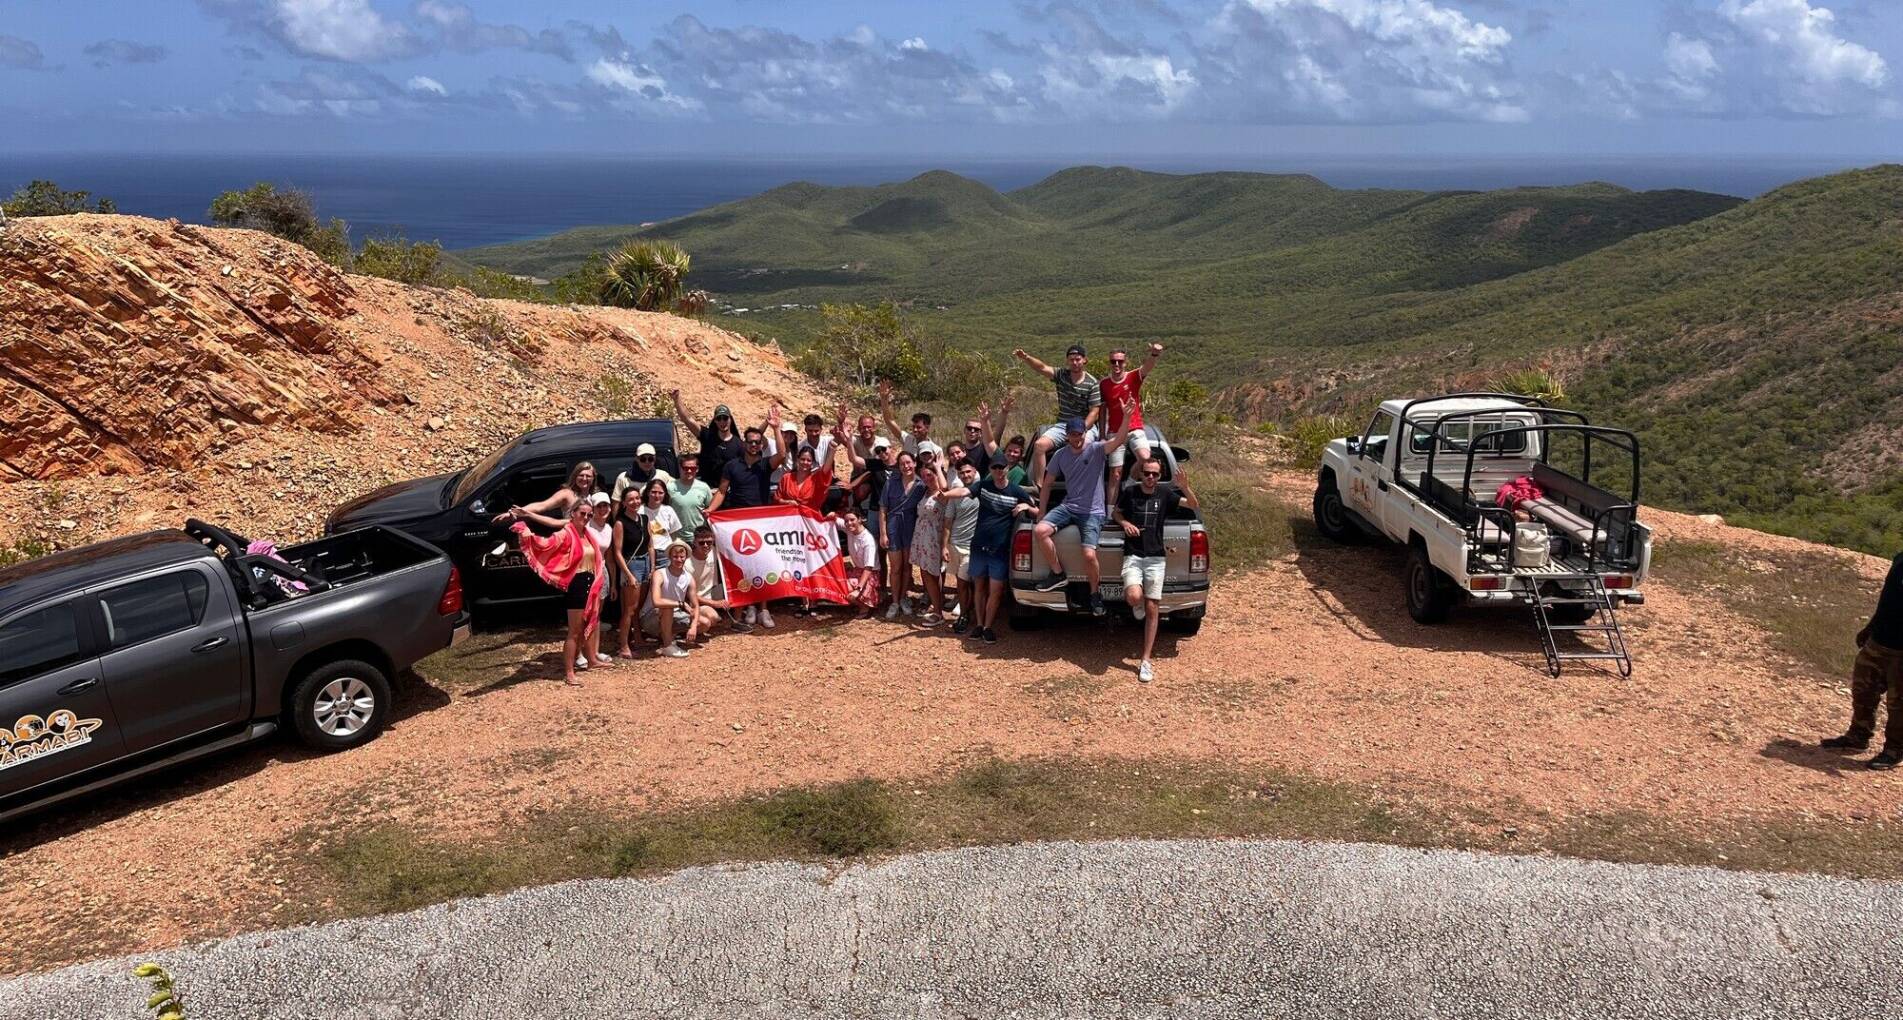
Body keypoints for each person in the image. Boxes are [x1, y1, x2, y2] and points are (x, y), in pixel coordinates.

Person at [1033, 398, 1139, 616]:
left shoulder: (1097, 449)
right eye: (1072, 434)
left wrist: (1126, 417)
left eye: (1079, 434)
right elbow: (1048, 482)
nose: (1076, 438)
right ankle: (1058, 574)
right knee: (1040, 530)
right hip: (1069, 507)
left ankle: (1094, 594)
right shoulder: (1061, 455)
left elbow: (1119, 440)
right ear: (1067, 436)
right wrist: (1042, 512)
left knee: (1089, 555)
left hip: (1093, 512)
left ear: (1084, 433)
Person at [1112, 458, 1199, 684]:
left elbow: (1193, 506)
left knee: (1153, 607)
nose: (1151, 477)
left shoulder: (1165, 494)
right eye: (1148, 473)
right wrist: (1124, 524)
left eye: (1156, 474)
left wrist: (1185, 487)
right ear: (1141, 473)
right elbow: (1116, 513)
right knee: (1133, 596)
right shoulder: (1130, 492)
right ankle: (1138, 604)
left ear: (1160, 476)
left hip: (1156, 557)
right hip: (1133, 554)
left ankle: (1146, 660)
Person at [1820, 550, 1903, 770]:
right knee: (1863, 689)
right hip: (1879, 640)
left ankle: (1894, 750)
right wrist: (1870, 627)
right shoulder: (1901, 558)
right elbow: (1888, 598)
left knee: (1898, 704)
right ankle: (1858, 735)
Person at [510, 500, 605, 685]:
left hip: (590, 581)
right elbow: (545, 544)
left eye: (589, 515)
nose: (586, 518)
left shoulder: (588, 534)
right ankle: (569, 672)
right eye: (582, 514)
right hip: (576, 583)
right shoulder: (566, 533)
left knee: (591, 622)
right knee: (575, 631)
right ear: (573, 513)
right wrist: (525, 530)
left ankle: (592, 660)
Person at [708, 412, 787, 628]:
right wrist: (710, 510)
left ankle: (764, 609)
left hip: (761, 521)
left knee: (763, 564)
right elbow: (722, 491)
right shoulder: (732, 465)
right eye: (750, 442)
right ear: (745, 443)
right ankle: (749, 606)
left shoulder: (764, 465)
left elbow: (782, 453)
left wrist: (776, 428)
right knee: (743, 565)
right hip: (737, 521)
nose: (754, 445)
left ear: (761, 445)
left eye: (757, 442)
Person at [966, 458, 1037, 644]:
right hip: (979, 546)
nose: (998, 470)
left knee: (996, 590)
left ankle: (989, 627)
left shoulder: (1016, 490)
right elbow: (964, 491)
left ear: (1008, 469)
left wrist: (1027, 506)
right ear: (990, 469)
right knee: (979, 587)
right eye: (995, 467)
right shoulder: (983, 486)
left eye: (1002, 467)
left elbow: (1039, 511)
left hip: (1000, 549)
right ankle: (979, 625)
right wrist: (947, 494)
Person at [1014, 345, 1101, 481]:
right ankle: (1039, 486)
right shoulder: (1061, 375)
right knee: (1039, 445)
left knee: (1083, 448)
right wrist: (1026, 358)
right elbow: (1042, 367)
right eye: (1071, 359)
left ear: (1084, 360)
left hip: (1085, 427)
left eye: (1078, 359)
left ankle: (1082, 484)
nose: (1075, 362)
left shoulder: (1093, 383)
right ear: (1067, 361)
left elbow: (1094, 411)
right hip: (1063, 425)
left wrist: (1080, 431)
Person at [1099, 343, 1164, 503]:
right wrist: (1102, 434)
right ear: (1109, 363)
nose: (1116, 364)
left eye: (1120, 361)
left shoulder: (1133, 377)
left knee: (1145, 458)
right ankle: (1110, 512)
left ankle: (1129, 482)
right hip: (1115, 431)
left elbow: (1147, 367)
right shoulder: (1104, 384)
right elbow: (1102, 411)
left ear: (1125, 363)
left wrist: (1154, 354)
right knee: (1115, 474)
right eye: (1113, 361)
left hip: (1135, 428)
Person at [879, 450, 927, 620]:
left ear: (914, 463)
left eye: (908, 462)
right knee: (896, 567)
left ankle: (904, 597)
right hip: (893, 526)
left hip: (911, 527)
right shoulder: (891, 482)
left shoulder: (921, 485)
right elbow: (883, 508)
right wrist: (883, 533)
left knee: (907, 566)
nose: (906, 466)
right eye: (902, 464)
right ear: (898, 466)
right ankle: (894, 601)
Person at [610, 488, 652, 659]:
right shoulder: (620, 523)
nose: (635, 502)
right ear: (624, 503)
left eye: (637, 498)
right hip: (631, 565)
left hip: (646, 562)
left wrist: (653, 566)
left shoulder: (644, 518)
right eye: (631, 499)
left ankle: (638, 637)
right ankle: (623, 645)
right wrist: (628, 574)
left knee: (638, 606)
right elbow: (617, 552)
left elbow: (650, 544)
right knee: (629, 609)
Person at [644, 543, 705, 658]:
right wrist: (681, 604)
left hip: (675, 615)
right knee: (668, 607)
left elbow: (695, 605)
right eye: (675, 557)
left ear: (686, 557)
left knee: (704, 623)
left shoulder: (688, 577)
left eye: (682, 557)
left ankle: (669, 635)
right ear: (670, 557)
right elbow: (656, 601)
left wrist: (693, 627)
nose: (679, 560)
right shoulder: (659, 574)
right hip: (651, 616)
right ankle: (667, 645)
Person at [688, 524, 751, 635]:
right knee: (714, 618)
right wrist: (714, 603)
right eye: (701, 543)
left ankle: (736, 621)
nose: (706, 545)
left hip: (713, 591)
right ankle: (684, 628)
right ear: (694, 542)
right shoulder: (687, 563)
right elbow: (688, 594)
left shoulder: (714, 551)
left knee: (741, 584)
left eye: (709, 542)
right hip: (695, 598)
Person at [942, 461, 982, 635]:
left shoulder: (983, 490)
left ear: (974, 472)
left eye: (968, 472)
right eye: (962, 473)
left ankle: (969, 615)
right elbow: (948, 521)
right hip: (956, 543)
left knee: (966, 581)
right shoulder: (955, 496)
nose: (966, 475)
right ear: (958, 475)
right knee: (962, 583)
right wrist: (944, 545)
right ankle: (965, 614)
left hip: (973, 545)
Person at [908, 461, 950, 627]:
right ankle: (937, 607)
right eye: (924, 476)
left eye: (929, 475)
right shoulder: (925, 492)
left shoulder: (941, 493)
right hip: (922, 536)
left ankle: (938, 612)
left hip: (933, 538)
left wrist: (938, 468)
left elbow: (945, 486)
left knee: (931, 573)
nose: (926, 478)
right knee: (928, 574)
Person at [492, 461, 596, 526]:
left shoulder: (597, 496)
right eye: (581, 475)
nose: (584, 479)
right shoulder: (567, 494)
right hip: (573, 539)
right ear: (575, 477)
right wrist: (515, 512)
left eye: (588, 476)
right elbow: (542, 505)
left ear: (593, 478)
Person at [671, 390, 743, 481]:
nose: (722, 422)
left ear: (730, 420)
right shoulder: (708, 436)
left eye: (725, 418)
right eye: (719, 418)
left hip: (728, 490)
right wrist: (677, 400)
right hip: (707, 487)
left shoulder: (738, 444)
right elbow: (687, 419)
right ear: (715, 421)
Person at [582, 493, 617, 669]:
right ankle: (581, 653)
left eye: (606, 506)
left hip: (602, 571)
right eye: (599, 506)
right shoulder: (586, 527)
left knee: (597, 616)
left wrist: (613, 583)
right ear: (593, 509)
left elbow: (609, 558)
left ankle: (594, 653)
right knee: (585, 615)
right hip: (587, 571)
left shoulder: (609, 528)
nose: (603, 509)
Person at [654, 454, 713, 543]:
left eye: (692, 468)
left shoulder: (704, 488)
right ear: (680, 468)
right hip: (677, 539)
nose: (689, 471)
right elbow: (661, 512)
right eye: (685, 468)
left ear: (697, 469)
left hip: (699, 540)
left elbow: (710, 512)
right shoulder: (670, 488)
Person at [840, 508, 882, 618]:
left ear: (860, 519)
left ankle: (864, 606)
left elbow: (868, 568)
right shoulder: (849, 529)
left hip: (869, 574)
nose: (849, 523)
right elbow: (833, 519)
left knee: (848, 591)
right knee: (838, 584)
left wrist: (858, 589)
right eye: (846, 521)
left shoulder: (868, 540)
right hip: (857, 570)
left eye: (852, 520)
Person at [878, 379, 934, 456]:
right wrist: (884, 400)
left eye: (918, 427)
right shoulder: (908, 440)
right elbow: (889, 421)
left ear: (927, 428)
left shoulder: (935, 450)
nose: (915, 430)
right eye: (913, 427)